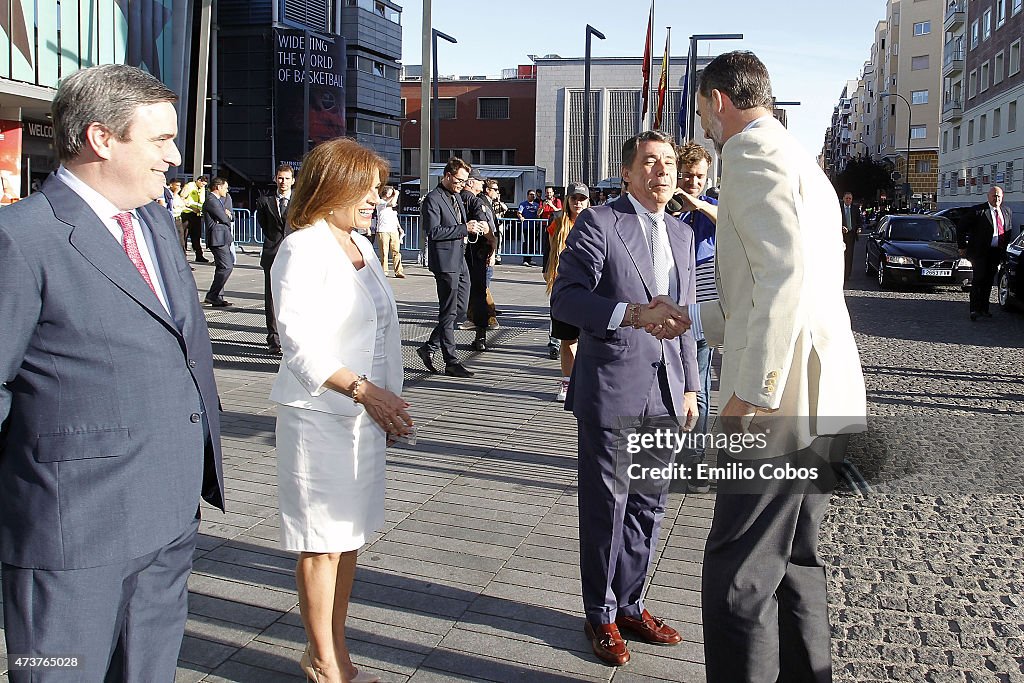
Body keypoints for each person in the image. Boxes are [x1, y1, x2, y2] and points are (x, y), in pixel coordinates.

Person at [0, 63, 225, 682]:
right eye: (159, 140)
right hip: (72, 534)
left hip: (168, 513)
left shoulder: (153, 221)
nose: (173, 157)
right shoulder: (21, 239)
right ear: (102, 139)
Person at [692, 50, 867, 682]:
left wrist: (751, 394)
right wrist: (694, 319)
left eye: (704, 111)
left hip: (782, 399)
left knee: (738, 569)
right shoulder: (801, 161)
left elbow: (783, 278)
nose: (705, 127)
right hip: (823, 393)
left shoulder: (749, 153)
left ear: (719, 101)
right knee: (795, 562)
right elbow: (799, 281)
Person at [551, 131, 700, 667]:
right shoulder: (599, 223)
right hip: (612, 387)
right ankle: (601, 614)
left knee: (648, 506)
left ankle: (632, 605)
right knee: (606, 507)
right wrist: (631, 315)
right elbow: (567, 299)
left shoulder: (684, 233)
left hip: (666, 392)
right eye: (651, 162)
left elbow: (684, 316)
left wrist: (690, 385)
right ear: (628, 173)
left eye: (669, 163)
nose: (663, 171)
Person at [270, 137, 411, 683]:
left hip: (362, 417)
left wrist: (383, 397)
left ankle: (330, 648)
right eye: (369, 188)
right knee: (320, 544)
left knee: (348, 539)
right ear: (333, 185)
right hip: (320, 416)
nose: (378, 197)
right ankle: (327, 664)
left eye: (379, 188)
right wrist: (365, 391)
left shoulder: (361, 244)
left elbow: (382, 331)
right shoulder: (303, 247)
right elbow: (298, 342)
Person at [667, 142, 720, 494]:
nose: (693, 182)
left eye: (699, 176)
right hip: (665, 306)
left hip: (700, 312)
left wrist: (697, 204)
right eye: (687, 175)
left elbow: (730, 220)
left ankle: (694, 460)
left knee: (695, 386)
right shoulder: (665, 208)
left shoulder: (711, 207)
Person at [416, 157, 489, 378]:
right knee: (448, 310)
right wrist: (464, 228)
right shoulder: (433, 199)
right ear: (447, 175)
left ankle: (429, 347)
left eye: (465, 181)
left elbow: (465, 220)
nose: (462, 184)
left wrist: (477, 225)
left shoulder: (457, 196)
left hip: (460, 259)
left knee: (459, 309)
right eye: (459, 180)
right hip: (445, 261)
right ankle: (451, 360)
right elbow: (434, 232)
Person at [544, 181, 590, 402]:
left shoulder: (596, 222)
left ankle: (585, 381)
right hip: (563, 286)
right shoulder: (557, 222)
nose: (578, 203)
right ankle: (566, 382)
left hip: (589, 288)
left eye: (582, 199)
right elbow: (549, 251)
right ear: (568, 201)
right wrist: (548, 274)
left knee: (589, 340)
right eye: (574, 198)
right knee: (567, 339)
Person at [257, 163, 295, 354]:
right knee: (271, 298)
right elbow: (264, 225)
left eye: (287, 178)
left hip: (295, 255)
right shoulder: (265, 201)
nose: (283, 182)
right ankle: (274, 339)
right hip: (272, 253)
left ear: (293, 180)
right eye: (280, 178)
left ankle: (293, 337)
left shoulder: (299, 201)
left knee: (295, 296)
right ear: (275, 179)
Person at [960, 186, 1012, 321]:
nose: (997, 199)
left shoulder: (1006, 211)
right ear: (988, 196)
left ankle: (984, 308)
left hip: (996, 252)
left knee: (989, 281)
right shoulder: (979, 211)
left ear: (1002, 197)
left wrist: (1004, 250)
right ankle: (974, 309)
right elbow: (961, 227)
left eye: (999, 196)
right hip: (980, 252)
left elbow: (1008, 231)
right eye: (994, 196)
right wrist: (962, 246)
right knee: (978, 280)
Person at [463, 170, 498, 351]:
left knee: (467, 293)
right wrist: (492, 244)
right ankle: (481, 336)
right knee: (479, 292)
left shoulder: (456, 198)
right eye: (479, 181)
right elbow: (486, 227)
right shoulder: (476, 201)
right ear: (470, 182)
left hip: (462, 253)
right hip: (476, 253)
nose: (482, 184)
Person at [203, 176, 235, 307]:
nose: (226, 191)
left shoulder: (219, 200)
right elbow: (224, 218)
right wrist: (226, 215)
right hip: (218, 238)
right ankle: (212, 295)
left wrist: (227, 216)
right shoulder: (211, 200)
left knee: (222, 267)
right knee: (227, 266)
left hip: (223, 237)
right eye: (225, 188)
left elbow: (229, 216)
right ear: (218, 187)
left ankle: (217, 296)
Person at [375, 185, 405, 278]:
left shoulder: (391, 207)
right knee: (384, 251)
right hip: (383, 230)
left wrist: (399, 227)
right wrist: (396, 195)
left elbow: (394, 217)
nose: (391, 194)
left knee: (396, 251)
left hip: (393, 230)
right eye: (390, 192)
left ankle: (398, 270)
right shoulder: (380, 202)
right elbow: (391, 203)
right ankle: (384, 270)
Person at [179, 174, 209, 262]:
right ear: (199, 181)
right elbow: (182, 198)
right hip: (187, 214)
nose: (203, 186)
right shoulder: (189, 186)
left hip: (197, 215)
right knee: (184, 236)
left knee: (196, 236)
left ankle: (199, 255)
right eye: (202, 184)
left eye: (204, 185)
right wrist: (191, 207)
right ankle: (183, 257)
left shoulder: (202, 189)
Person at [840, 191, 862, 282]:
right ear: (843, 199)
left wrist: (859, 228)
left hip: (851, 235)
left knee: (849, 256)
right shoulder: (839, 208)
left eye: (850, 199)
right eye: (847, 198)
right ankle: (840, 273)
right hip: (841, 235)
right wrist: (841, 227)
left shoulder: (855, 209)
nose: (848, 200)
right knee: (841, 255)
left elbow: (859, 221)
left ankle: (847, 275)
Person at [515, 189, 539, 265]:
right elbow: (519, 213)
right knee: (526, 243)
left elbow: (538, 214)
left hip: (534, 226)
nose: (533, 196)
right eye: (531, 194)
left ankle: (530, 259)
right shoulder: (523, 204)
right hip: (526, 227)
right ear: (527, 195)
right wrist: (521, 217)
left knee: (532, 243)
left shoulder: (536, 205)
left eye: (534, 195)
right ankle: (525, 259)